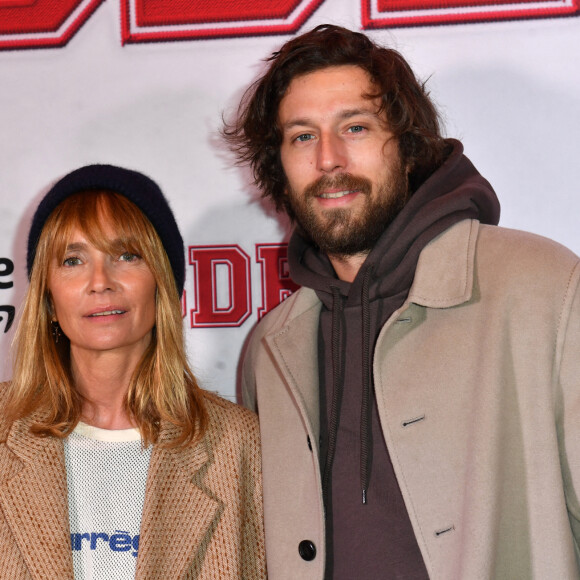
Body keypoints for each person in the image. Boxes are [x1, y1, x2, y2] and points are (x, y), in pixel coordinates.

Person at [224, 24, 580, 579]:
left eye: (356, 127)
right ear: (279, 166)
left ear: (408, 147)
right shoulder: (271, 349)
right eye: (302, 136)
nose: (329, 159)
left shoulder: (544, 289)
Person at [0, 165, 266, 579]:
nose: (100, 282)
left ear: (162, 282)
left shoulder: (239, 444)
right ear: (48, 298)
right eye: (73, 260)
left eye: (127, 255)